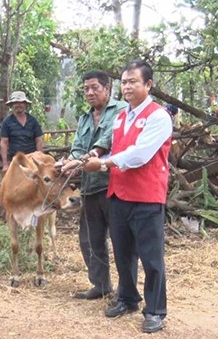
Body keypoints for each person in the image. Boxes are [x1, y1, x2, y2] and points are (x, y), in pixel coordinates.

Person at [83, 60, 172, 333]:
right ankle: (128, 298)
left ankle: (155, 310)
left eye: (133, 81)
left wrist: (104, 164)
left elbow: (140, 154)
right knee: (123, 253)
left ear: (148, 84)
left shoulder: (158, 116)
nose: (127, 86)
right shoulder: (122, 117)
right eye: (124, 82)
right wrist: (94, 156)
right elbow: (114, 149)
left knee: (151, 257)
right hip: (119, 194)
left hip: (146, 197)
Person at [61, 70, 128, 300]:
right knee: (90, 238)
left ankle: (126, 290)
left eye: (95, 88)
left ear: (107, 89)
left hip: (113, 184)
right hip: (90, 186)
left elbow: (109, 138)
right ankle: (100, 285)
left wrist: (90, 155)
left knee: (121, 239)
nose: (90, 93)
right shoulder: (84, 118)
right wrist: (70, 161)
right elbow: (78, 146)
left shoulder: (120, 110)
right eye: (86, 89)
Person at [0, 91, 43, 173]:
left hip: (31, 159)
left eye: (21, 102)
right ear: (12, 105)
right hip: (14, 160)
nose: (19, 105)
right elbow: (4, 143)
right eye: (16, 102)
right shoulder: (7, 122)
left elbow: (39, 141)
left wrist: (39, 159)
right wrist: (5, 164)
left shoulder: (33, 121)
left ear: (25, 104)